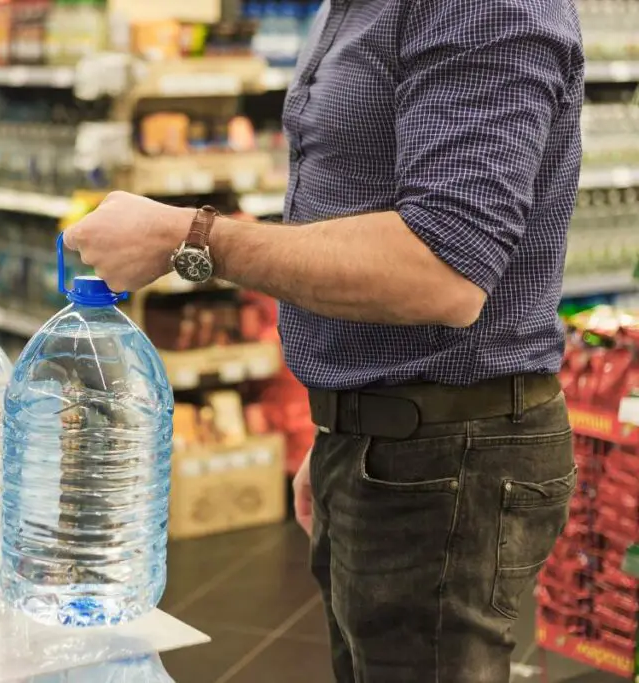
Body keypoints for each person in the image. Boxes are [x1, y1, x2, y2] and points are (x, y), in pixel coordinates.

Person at [61, 0, 585, 681]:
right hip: (390, 435)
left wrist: (190, 236)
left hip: (450, 454)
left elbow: (442, 268)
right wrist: (348, 413)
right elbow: (357, 202)